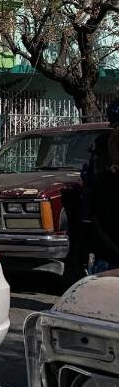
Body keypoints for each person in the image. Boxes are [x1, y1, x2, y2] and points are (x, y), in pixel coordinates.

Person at [81, 100, 119, 274]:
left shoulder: (102, 143)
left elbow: (90, 178)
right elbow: (91, 179)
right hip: (106, 218)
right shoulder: (102, 144)